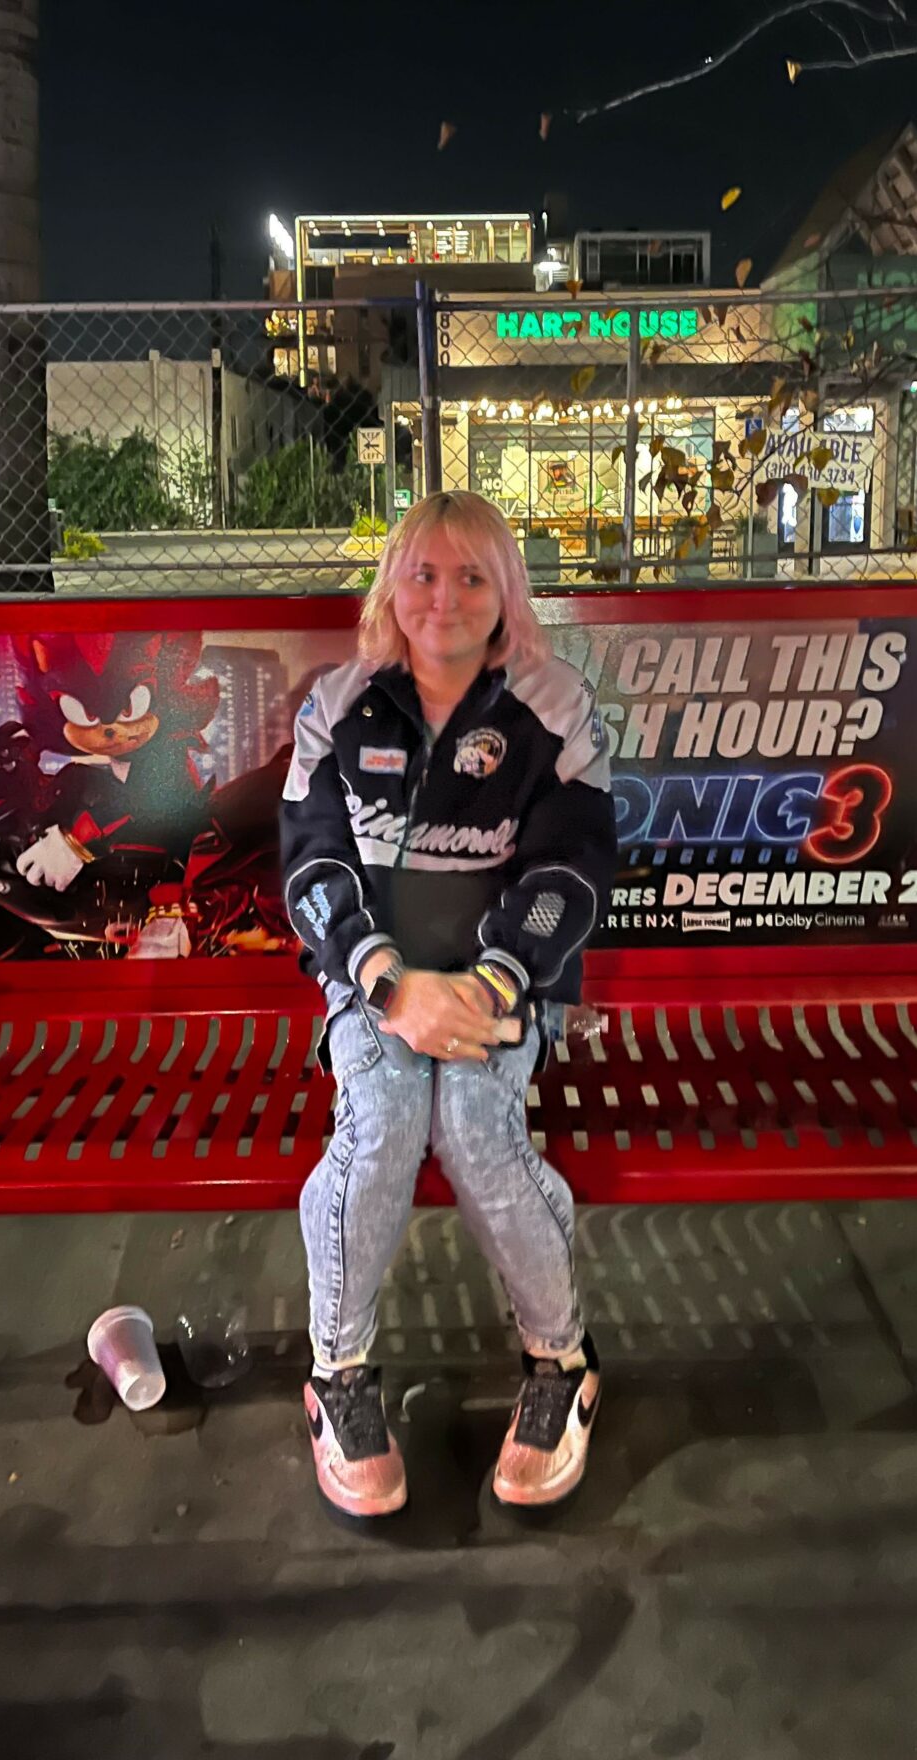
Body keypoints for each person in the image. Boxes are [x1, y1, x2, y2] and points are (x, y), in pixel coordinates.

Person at [280, 490, 617, 1518]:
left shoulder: (553, 703)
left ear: (507, 591)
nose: (445, 597)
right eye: (424, 572)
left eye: (473, 575)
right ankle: (337, 1375)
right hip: (372, 980)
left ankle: (562, 1360)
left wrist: (493, 979)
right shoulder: (335, 700)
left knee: (474, 1121)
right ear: (392, 585)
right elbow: (311, 864)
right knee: (381, 1118)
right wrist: (386, 979)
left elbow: (571, 865)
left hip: (499, 981)